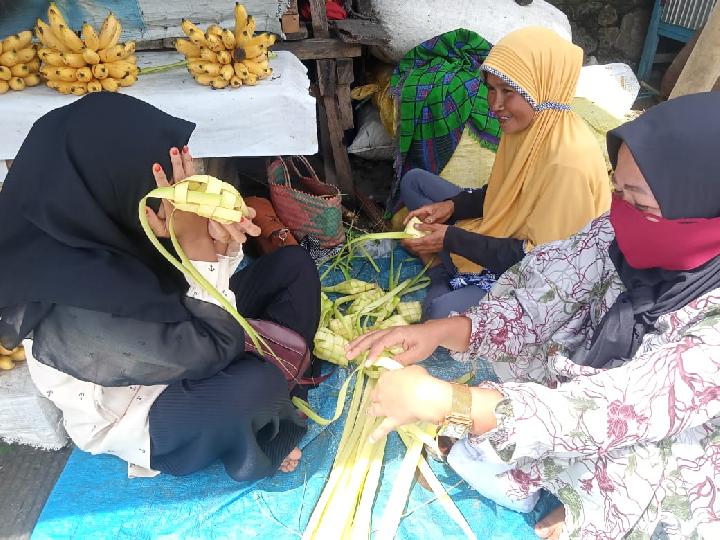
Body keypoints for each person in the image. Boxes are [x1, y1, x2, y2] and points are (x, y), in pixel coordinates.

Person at [348, 93, 720, 539]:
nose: (621, 213)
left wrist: (452, 402)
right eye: (617, 191)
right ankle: (538, 476)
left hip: (668, 428)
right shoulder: (615, 230)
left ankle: (593, 504)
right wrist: (440, 331)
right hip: (597, 384)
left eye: (640, 202)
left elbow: (615, 410)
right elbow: (542, 296)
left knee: (636, 468)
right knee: (528, 359)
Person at [0, 93, 321, 481]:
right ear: (108, 182)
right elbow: (213, 347)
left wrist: (219, 243)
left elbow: (184, 295)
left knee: (292, 266)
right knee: (254, 386)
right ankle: (256, 428)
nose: (167, 191)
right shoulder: (68, 304)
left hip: (180, 338)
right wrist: (197, 245)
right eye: (153, 180)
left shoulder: (99, 222)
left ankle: (274, 397)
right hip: (141, 409)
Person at [399, 27, 610, 320]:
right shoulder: (528, 128)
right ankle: (443, 262)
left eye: (508, 92)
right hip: (501, 230)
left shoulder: (568, 163)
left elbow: (540, 261)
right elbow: (501, 191)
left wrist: (451, 239)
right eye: (491, 88)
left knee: (437, 312)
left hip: (537, 273)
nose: (495, 105)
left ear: (541, 89)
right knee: (414, 181)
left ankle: (436, 267)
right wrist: (452, 206)